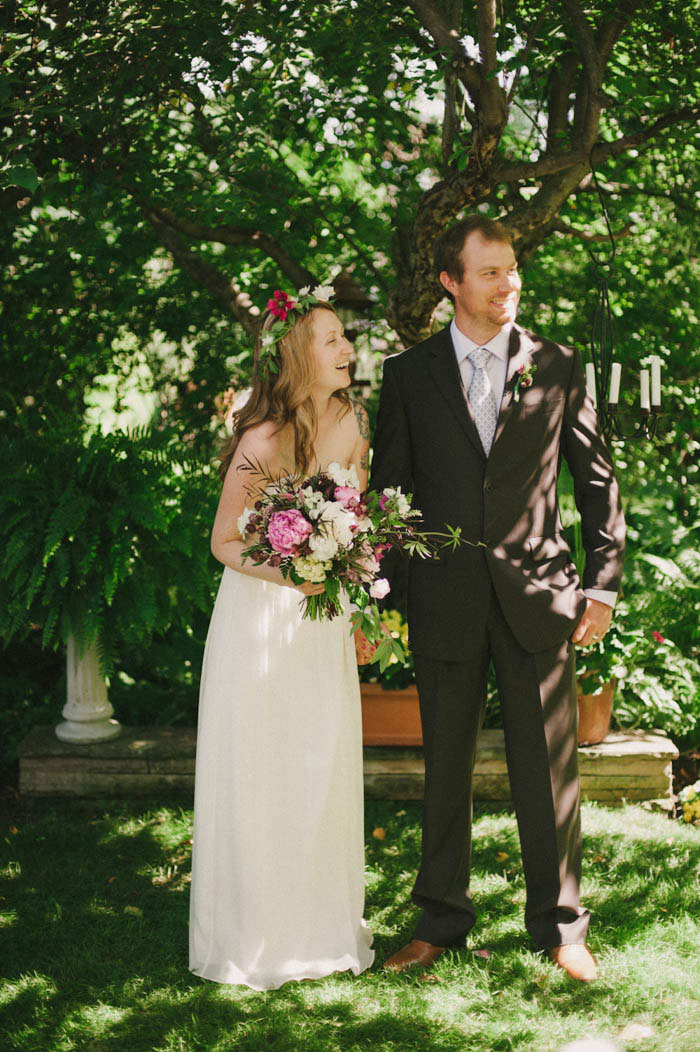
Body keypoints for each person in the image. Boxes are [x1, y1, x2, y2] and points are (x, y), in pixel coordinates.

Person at [370, 215, 625, 982]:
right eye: (489, 273)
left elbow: (598, 483)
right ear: (451, 282)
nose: (508, 284)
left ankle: (561, 928)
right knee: (444, 770)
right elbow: (391, 490)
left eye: (511, 269)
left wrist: (602, 585)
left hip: (538, 597)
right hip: (444, 599)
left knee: (548, 774)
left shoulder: (557, 364)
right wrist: (388, 594)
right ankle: (439, 923)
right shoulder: (408, 375)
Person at [189, 288, 375, 990]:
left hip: (321, 624)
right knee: (263, 772)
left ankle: (322, 927)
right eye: (331, 340)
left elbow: (356, 517)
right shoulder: (261, 439)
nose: (347, 350)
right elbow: (224, 542)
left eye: (344, 339)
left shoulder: (353, 423)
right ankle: (254, 935)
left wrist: (349, 592)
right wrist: (295, 571)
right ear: (300, 355)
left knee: (319, 768)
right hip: (261, 621)